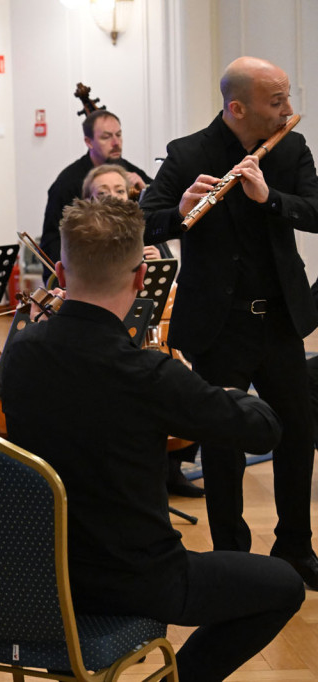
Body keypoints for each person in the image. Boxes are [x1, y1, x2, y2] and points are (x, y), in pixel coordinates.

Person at [0, 198, 303, 682]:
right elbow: (265, 427)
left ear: (59, 271)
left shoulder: (21, 354)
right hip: (136, 579)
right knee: (284, 583)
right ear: (141, 279)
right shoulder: (149, 372)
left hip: (41, 576)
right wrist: (203, 388)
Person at [140, 56, 318, 589]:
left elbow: (317, 209)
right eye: (277, 101)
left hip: (279, 319)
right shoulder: (188, 153)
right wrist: (181, 212)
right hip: (218, 326)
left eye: (287, 97)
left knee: (296, 432)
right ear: (237, 108)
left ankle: (295, 549)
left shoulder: (290, 148)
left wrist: (270, 199)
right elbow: (145, 220)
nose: (289, 109)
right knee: (221, 443)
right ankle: (231, 555)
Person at [82, 165, 200, 497]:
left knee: (188, 374)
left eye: (119, 191)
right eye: (102, 193)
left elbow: (175, 292)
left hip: (154, 333)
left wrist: (156, 263)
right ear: (88, 201)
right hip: (107, 339)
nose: (113, 198)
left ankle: (172, 467)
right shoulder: (84, 242)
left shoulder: (152, 232)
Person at [39, 109, 153, 281]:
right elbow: (53, 238)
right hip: (86, 274)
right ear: (89, 142)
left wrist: (146, 190)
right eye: (106, 137)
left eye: (119, 135)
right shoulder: (67, 183)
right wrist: (60, 281)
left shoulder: (132, 173)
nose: (116, 142)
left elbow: (158, 210)